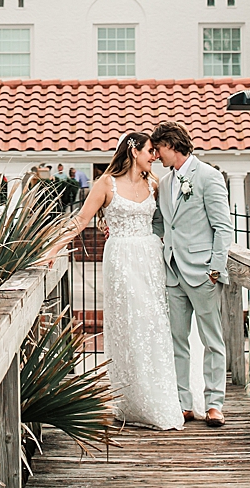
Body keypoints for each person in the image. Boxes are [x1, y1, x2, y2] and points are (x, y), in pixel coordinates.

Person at [60, 133, 183, 430]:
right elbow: (80, 220)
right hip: (121, 259)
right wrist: (54, 248)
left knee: (153, 325)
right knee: (128, 326)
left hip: (149, 258)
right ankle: (129, 400)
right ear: (133, 150)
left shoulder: (155, 184)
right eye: (149, 151)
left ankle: (158, 399)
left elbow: (172, 220)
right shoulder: (105, 184)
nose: (154, 156)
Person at [150, 121, 233, 427]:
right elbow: (163, 225)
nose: (156, 156)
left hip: (203, 274)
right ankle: (184, 403)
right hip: (173, 272)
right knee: (177, 340)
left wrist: (215, 268)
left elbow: (223, 226)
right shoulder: (167, 182)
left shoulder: (209, 177)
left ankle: (214, 404)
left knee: (212, 340)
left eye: (158, 149)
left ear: (171, 146)